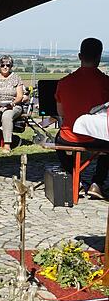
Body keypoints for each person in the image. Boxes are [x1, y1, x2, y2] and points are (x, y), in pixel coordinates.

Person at [55, 38, 109, 199]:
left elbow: (61, 113)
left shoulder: (64, 82)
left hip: (69, 136)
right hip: (96, 137)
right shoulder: (106, 82)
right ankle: (97, 183)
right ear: (99, 57)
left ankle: (73, 177)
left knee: (58, 140)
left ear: (80, 56)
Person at [0, 55, 24, 154]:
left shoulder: (16, 78)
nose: (5, 67)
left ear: (11, 66)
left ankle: (7, 144)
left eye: (8, 65)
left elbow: (20, 96)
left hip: (12, 105)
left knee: (7, 116)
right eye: (2, 65)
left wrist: (12, 103)